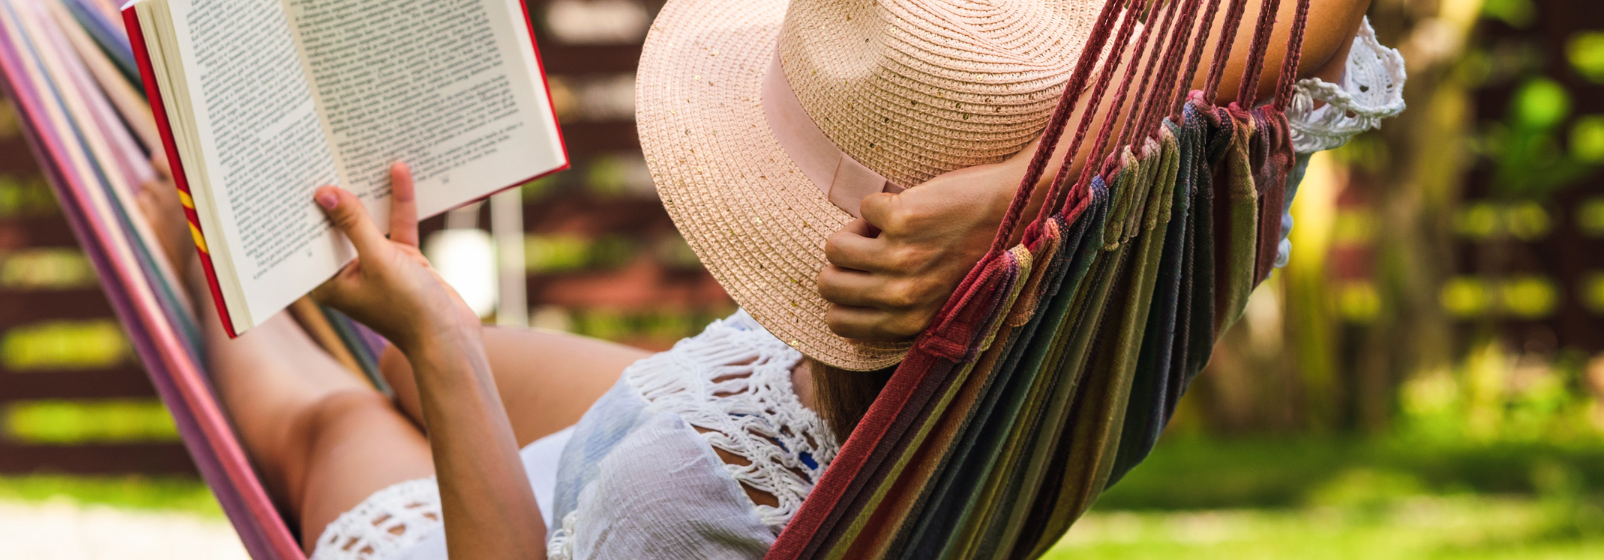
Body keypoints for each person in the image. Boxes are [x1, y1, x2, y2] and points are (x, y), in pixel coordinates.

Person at [134, 0, 1403, 558]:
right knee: (407, 358)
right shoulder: (1146, 259)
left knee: (341, 412)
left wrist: (447, 351)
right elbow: (1309, 24)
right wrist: (1022, 194)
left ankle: (198, 253)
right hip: (759, 400)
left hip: (604, 507)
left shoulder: (682, 506)